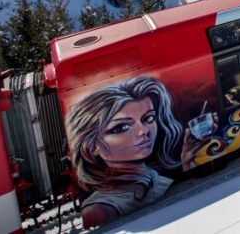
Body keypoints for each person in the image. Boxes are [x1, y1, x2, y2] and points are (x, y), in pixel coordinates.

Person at [65, 76, 215, 228]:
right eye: (122, 127)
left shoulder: (156, 178)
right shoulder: (101, 210)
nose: (144, 131)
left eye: (148, 118)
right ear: (92, 146)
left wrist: (187, 162)